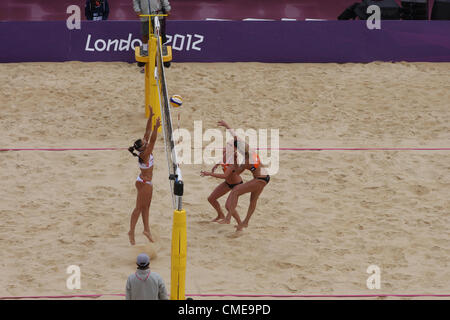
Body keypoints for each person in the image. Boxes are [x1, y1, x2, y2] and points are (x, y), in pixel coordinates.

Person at [217, 120, 270, 231]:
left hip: (260, 180)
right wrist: (226, 125)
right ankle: (244, 223)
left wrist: (235, 161)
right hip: (265, 177)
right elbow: (235, 136)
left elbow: (235, 172)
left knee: (236, 191)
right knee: (253, 201)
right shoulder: (249, 149)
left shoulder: (246, 162)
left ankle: (228, 218)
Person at [127, 107, 161, 245]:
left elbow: (147, 133)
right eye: (144, 142)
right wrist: (156, 128)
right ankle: (131, 231)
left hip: (146, 181)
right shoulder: (145, 153)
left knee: (146, 207)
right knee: (138, 208)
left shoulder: (143, 147)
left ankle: (146, 230)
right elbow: (152, 140)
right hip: (144, 183)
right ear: (142, 148)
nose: (145, 140)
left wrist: (151, 117)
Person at [200, 142, 243, 222]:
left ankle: (240, 224)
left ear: (235, 149)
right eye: (227, 145)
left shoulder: (233, 161)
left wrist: (209, 174)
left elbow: (225, 176)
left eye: (230, 146)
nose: (226, 147)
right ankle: (221, 215)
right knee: (211, 199)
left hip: (237, 185)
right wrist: (216, 165)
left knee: (229, 207)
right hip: (228, 183)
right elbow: (221, 160)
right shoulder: (225, 152)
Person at [133, 0, 172, 72]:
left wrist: (167, 9)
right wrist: (137, 10)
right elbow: (136, 1)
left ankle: (159, 55)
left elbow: (164, 1)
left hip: (157, 15)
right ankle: (145, 51)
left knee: (158, 35)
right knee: (145, 34)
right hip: (145, 15)